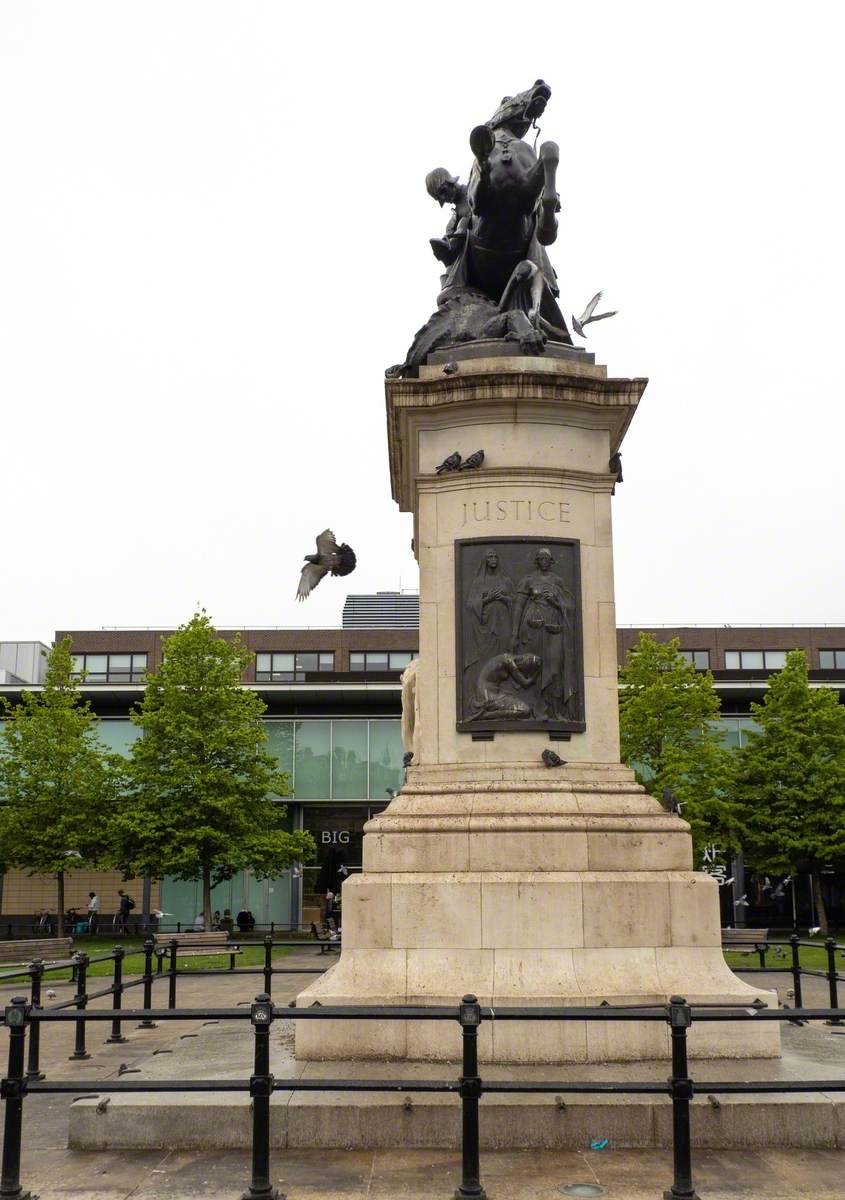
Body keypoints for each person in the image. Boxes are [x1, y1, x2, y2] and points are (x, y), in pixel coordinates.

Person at [511, 547, 577, 720]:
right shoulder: (528, 580)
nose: (544, 561)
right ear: (537, 561)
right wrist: (514, 633)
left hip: (554, 629)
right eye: (541, 558)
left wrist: (555, 601)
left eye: (547, 558)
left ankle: (555, 711)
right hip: (533, 629)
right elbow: (518, 606)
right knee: (536, 668)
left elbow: (570, 607)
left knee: (555, 668)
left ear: (551, 561)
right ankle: (537, 711)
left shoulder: (558, 581)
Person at [425, 167, 470, 266]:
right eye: (438, 198)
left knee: (463, 223)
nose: (443, 198)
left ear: (450, 182)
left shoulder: (472, 191)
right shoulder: (452, 225)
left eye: (442, 191)